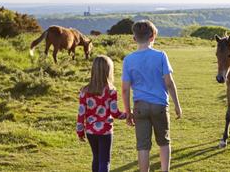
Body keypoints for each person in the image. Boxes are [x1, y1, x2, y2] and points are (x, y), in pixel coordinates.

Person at [122, 20, 182, 172]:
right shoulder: (161, 56)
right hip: (160, 106)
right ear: (153, 36)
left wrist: (128, 112)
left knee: (143, 146)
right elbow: (169, 83)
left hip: (140, 107)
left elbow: (125, 89)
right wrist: (177, 105)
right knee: (164, 142)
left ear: (134, 38)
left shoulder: (128, 60)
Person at [76, 55, 126, 172]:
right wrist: (127, 114)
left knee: (96, 158)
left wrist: (80, 131)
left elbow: (81, 114)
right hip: (105, 131)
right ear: (108, 71)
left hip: (90, 131)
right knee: (104, 161)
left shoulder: (85, 91)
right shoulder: (111, 91)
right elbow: (114, 113)